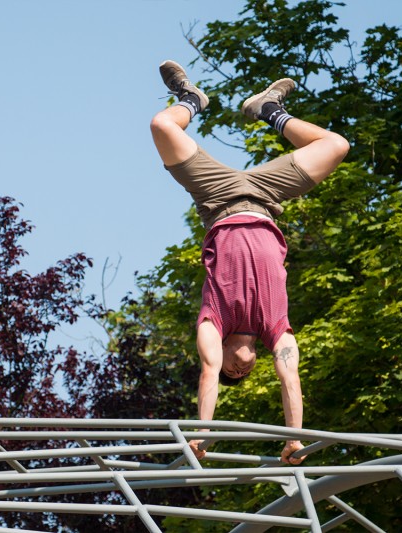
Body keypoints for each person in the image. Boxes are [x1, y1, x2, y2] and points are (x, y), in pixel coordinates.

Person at [149, 61, 349, 464]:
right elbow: (290, 379)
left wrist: (201, 436)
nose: (239, 369)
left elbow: (209, 375)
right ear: (257, 359)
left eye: (232, 372)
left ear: (224, 354)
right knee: (337, 145)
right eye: (245, 373)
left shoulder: (213, 323)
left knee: (161, 126)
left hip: (218, 198)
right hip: (264, 198)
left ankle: (191, 98)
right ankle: (269, 109)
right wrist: (294, 440)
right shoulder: (275, 329)